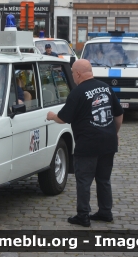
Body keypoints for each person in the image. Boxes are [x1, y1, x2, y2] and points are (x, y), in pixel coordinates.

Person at [46, 59, 124, 227]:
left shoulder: (77, 92)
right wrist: (114, 133)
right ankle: (105, 212)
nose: (73, 75)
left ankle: (83, 215)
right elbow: (118, 114)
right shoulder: (106, 88)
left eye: (73, 72)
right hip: (108, 142)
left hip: (87, 144)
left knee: (84, 181)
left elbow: (63, 118)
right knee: (104, 180)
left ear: (78, 74)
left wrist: (52, 115)